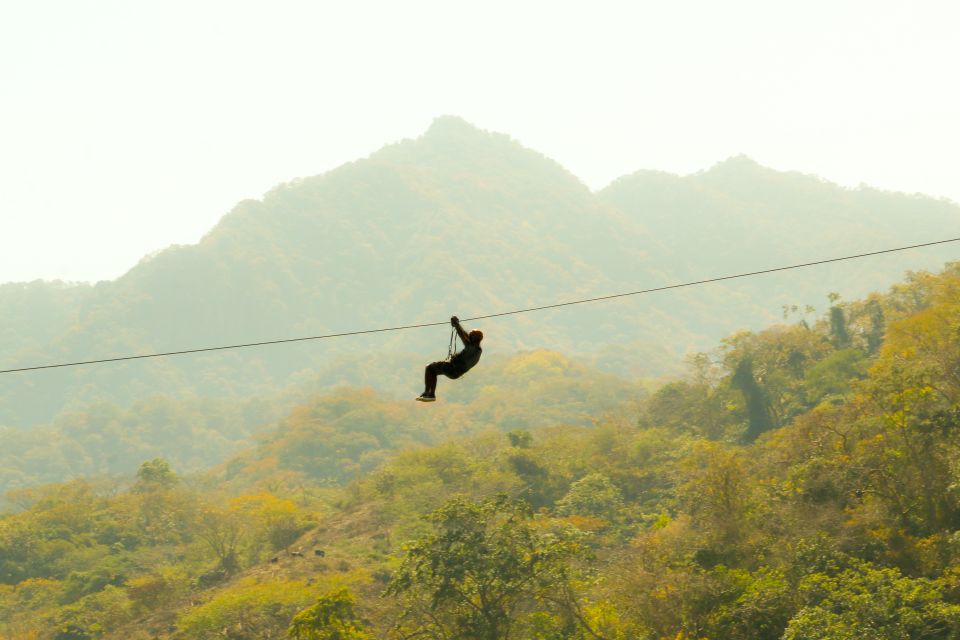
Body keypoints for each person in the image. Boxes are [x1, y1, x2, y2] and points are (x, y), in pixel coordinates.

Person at [416, 316, 483, 402]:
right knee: (433, 370)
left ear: (474, 338)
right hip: (455, 372)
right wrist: (457, 324)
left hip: (452, 368)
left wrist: (456, 325)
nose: (469, 334)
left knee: (429, 368)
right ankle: (428, 393)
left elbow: (462, 336)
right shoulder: (477, 350)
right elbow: (466, 335)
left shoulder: (471, 347)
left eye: (471, 334)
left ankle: (429, 394)